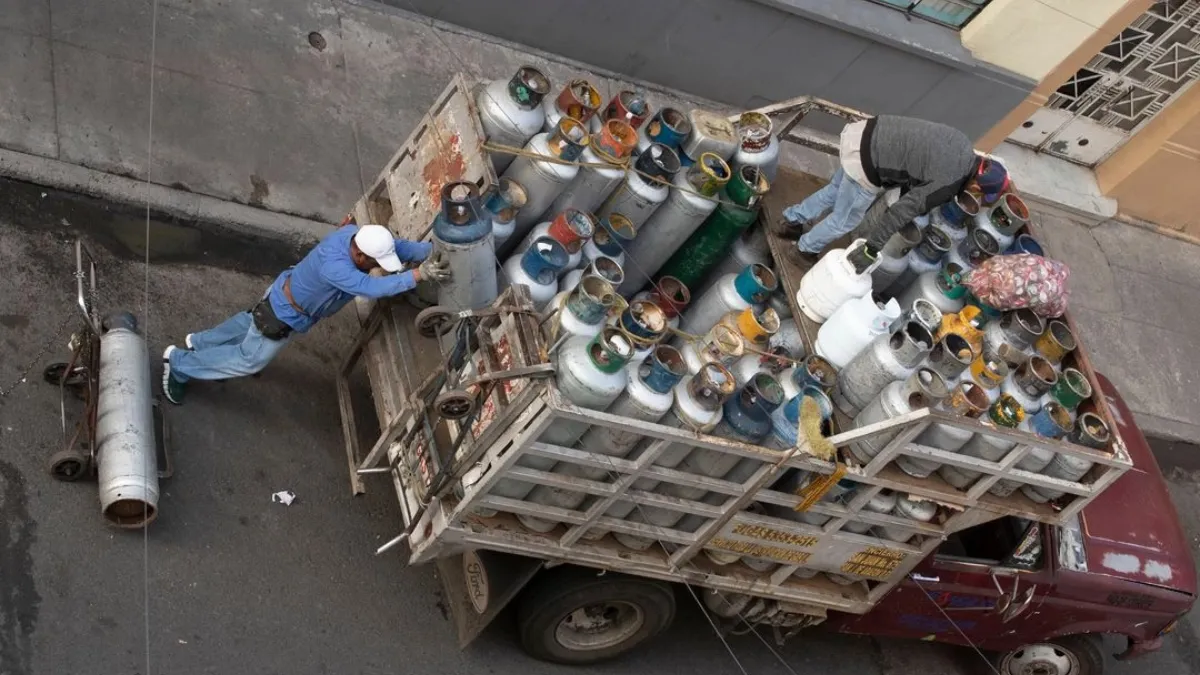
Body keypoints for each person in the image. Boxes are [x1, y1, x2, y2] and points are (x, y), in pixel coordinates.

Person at [161, 223, 451, 404]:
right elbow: (371, 287)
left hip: (283, 293)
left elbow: (395, 246)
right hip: (284, 314)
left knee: (248, 323)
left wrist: (429, 251)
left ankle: (199, 343)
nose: (379, 264)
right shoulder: (337, 268)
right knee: (249, 360)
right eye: (375, 262)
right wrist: (417, 275)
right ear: (360, 256)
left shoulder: (354, 235)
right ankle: (179, 364)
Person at [776, 114, 1009, 267]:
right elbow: (898, 212)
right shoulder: (949, 182)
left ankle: (790, 222)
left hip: (864, 133)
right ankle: (803, 250)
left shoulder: (962, 143)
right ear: (977, 184)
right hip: (868, 163)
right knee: (844, 220)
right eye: (979, 194)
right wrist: (871, 248)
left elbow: (920, 156)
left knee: (835, 191)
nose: (975, 197)